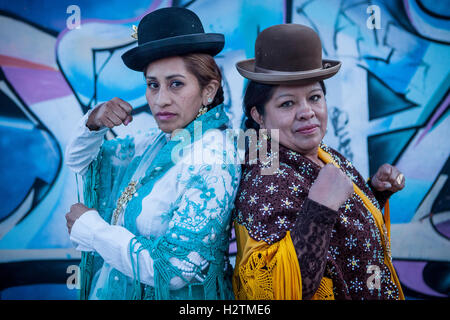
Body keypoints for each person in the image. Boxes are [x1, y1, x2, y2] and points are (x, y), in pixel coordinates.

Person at [65, 7, 240, 300]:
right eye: (152, 85)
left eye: (176, 84)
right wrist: (94, 121)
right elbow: (81, 161)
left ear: (208, 90)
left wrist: (92, 229)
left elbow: (173, 270)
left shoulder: (213, 156)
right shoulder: (158, 143)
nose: (160, 100)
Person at [232, 24, 405, 300]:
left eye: (314, 98)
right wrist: (321, 206)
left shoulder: (322, 153)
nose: (307, 112)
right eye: (287, 104)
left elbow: (339, 239)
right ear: (259, 116)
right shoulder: (267, 176)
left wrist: (374, 192)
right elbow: (280, 290)